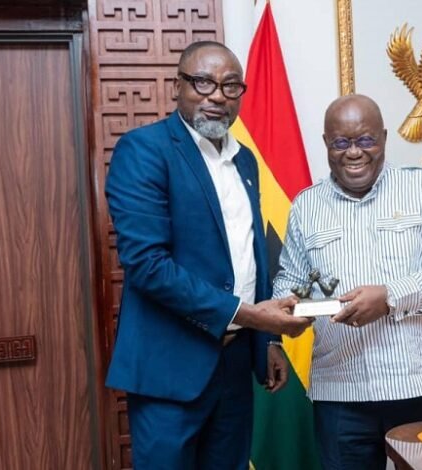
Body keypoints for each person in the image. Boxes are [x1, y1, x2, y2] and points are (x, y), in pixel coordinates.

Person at [104, 41, 312, 469]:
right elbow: (147, 265)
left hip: (235, 364)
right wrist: (252, 316)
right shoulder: (144, 150)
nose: (217, 96)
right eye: (203, 82)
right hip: (170, 368)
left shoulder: (246, 161)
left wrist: (267, 340)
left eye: (230, 86)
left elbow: (250, 256)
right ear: (176, 87)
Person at [273, 94, 422, 469]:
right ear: (326, 143)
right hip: (341, 391)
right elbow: (293, 280)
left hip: (421, 385)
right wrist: (287, 308)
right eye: (341, 142)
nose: (354, 152)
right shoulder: (306, 205)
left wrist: (390, 297)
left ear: (383, 138)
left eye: (365, 140)